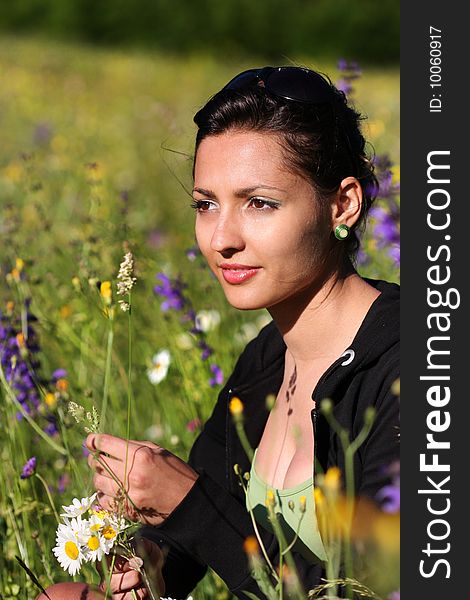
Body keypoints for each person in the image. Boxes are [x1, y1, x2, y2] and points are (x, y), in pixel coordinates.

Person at [38, 65, 399, 599]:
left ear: (342, 204)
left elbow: (370, 591)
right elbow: (192, 547)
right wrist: (147, 557)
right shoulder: (267, 359)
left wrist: (191, 507)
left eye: (259, 203)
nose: (221, 238)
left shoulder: (416, 367)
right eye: (206, 204)